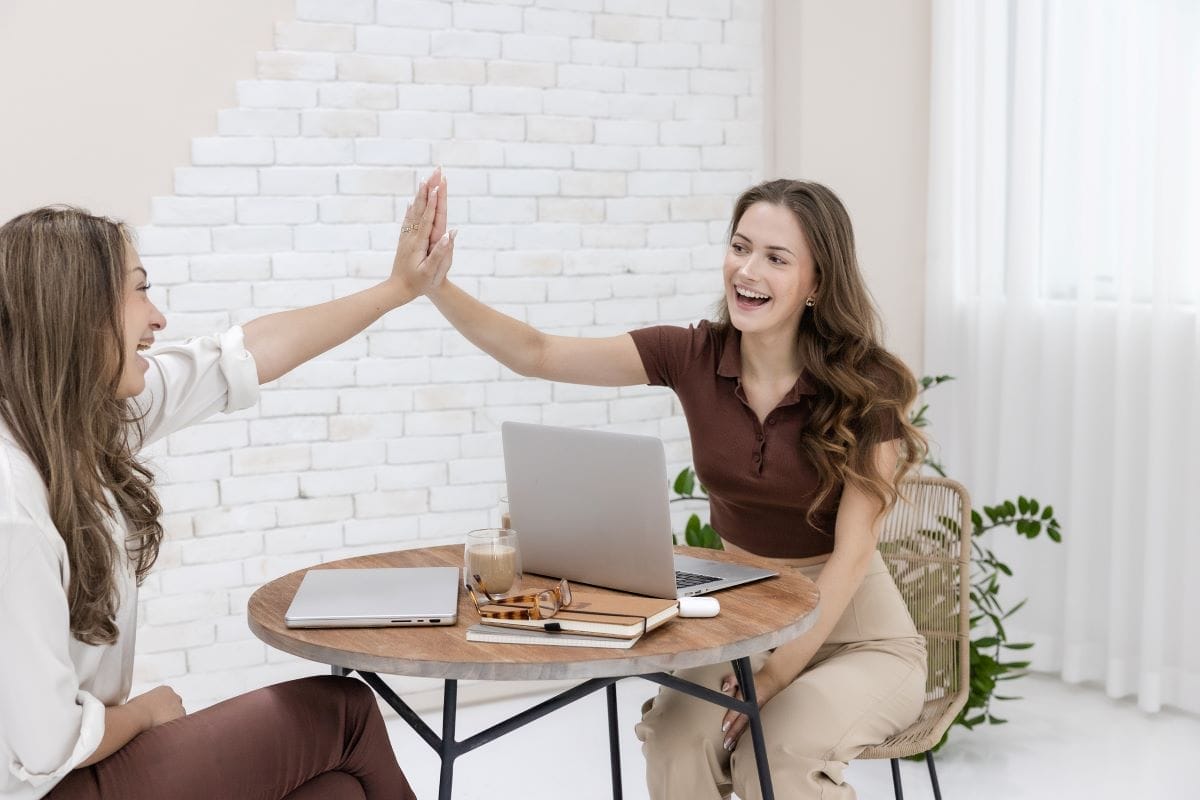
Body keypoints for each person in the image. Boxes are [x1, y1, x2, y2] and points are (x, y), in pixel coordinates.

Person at [398, 177, 928, 799]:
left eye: (776, 258)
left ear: (817, 283)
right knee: (677, 740)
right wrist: (434, 286)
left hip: (856, 634)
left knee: (775, 752)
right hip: (749, 613)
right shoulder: (691, 355)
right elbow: (537, 353)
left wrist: (779, 672)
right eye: (740, 246)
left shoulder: (866, 386)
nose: (747, 270)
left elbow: (854, 552)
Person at [0, 171, 455, 800]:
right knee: (344, 714)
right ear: (76, 311)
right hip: (47, 790)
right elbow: (48, 745)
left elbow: (238, 357)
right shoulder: (13, 505)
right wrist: (148, 711)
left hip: (74, 774)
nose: (158, 318)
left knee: (337, 794)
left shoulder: (77, 422)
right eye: (140, 292)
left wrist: (398, 289)